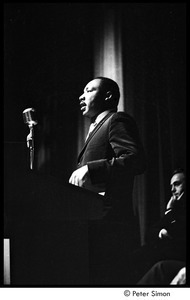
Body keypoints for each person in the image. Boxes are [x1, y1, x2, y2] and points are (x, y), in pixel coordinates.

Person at [69, 77, 146, 284]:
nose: (81, 96)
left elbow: (135, 159)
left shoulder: (116, 120)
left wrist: (91, 168)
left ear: (108, 96)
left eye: (88, 90)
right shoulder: (95, 128)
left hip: (110, 223)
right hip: (92, 220)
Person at [128, 168, 186, 284]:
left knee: (160, 268)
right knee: (137, 256)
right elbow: (151, 232)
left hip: (180, 258)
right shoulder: (177, 209)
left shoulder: (176, 210)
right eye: (171, 186)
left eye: (177, 184)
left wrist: (169, 211)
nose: (173, 190)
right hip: (171, 255)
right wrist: (161, 231)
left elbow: (178, 232)